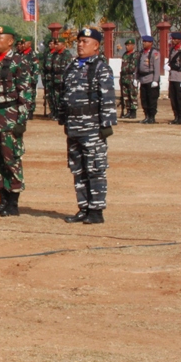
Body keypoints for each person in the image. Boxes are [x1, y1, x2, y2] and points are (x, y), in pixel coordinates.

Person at [56, 28, 117, 225]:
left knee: (95, 168)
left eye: (85, 41)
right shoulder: (72, 66)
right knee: (78, 169)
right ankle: (83, 207)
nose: (80, 45)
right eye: (79, 41)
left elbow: (107, 97)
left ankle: (96, 210)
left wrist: (107, 124)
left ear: (96, 45)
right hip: (74, 126)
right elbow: (64, 94)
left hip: (92, 126)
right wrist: (63, 118)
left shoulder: (100, 68)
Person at [0, 26, 32, 217]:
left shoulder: (19, 62)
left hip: (9, 118)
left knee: (11, 159)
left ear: (10, 41)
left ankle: (13, 202)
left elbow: (25, 94)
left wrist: (21, 121)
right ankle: (2, 200)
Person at [137, 35, 161, 124]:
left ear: (150, 43)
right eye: (143, 41)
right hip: (143, 79)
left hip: (151, 79)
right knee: (144, 99)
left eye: (146, 42)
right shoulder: (141, 53)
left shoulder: (154, 53)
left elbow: (157, 68)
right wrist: (136, 78)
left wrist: (155, 80)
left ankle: (152, 117)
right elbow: (138, 66)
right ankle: (146, 116)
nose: (144, 43)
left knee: (151, 99)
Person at [119, 38, 139, 119]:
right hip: (124, 77)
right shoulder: (125, 54)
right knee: (125, 95)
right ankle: (128, 111)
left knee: (132, 94)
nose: (126, 47)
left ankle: (133, 112)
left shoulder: (136, 54)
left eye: (128, 45)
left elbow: (136, 67)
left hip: (131, 76)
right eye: (126, 45)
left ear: (133, 46)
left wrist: (136, 78)